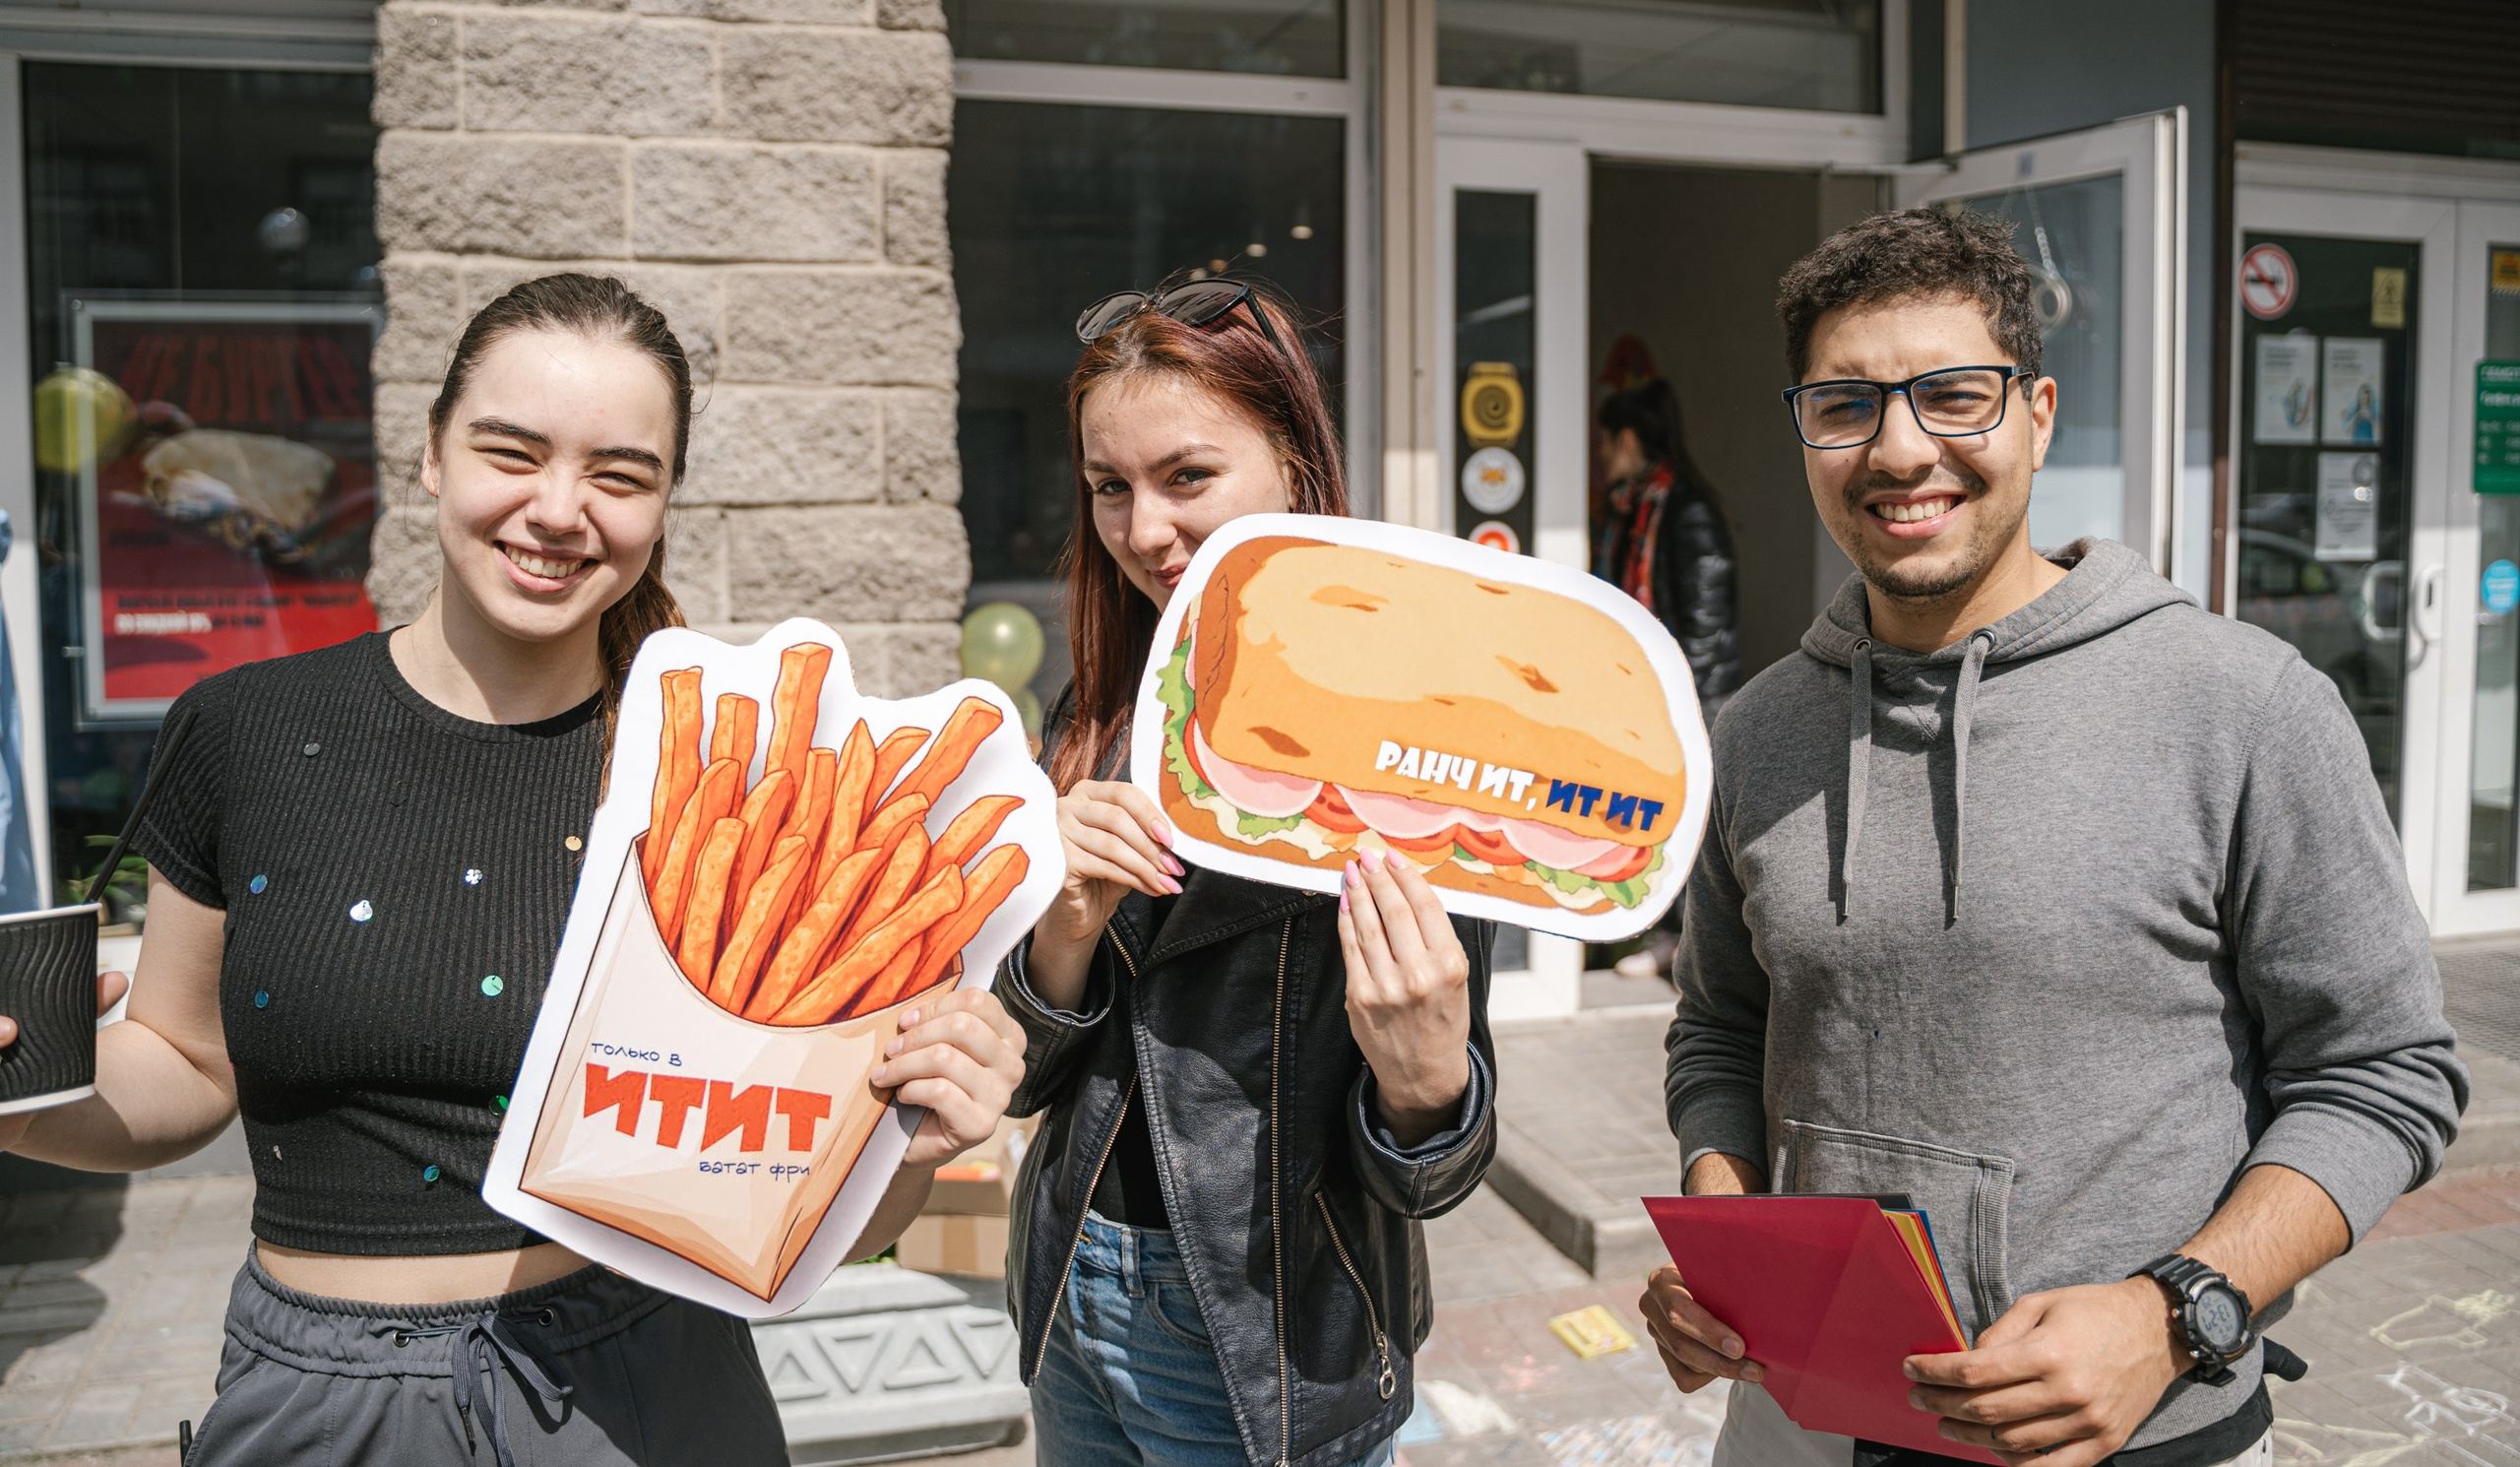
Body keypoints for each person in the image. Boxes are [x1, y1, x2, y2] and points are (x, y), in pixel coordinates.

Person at [0, 275, 1028, 1466]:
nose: (558, 509)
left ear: (663, 504)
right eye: (512, 451)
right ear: (433, 453)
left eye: (619, 474)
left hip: (650, 1387)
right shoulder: (245, 728)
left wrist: (916, 1138)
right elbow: (180, 1060)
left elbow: (795, 1206)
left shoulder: (726, 782)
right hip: (319, 1405)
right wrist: (28, 1098)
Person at [1640, 210, 2466, 1467]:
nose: (1899, 448)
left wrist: (2173, 1312)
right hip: (1798, 1425)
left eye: (1952, 396)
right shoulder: (1755, 733)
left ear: (2038, 413)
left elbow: (2383, 1073)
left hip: (2137, 1430)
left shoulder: (2239, 705)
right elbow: (1721, 1029)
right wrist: (1724, 1222)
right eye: (1845, 405)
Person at [995, 275, 1497, 1467]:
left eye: (1186, 477)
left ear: (1295, 469)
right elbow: (1024, 1080)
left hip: (1268, 1334)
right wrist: (1062, 933)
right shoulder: (1106, 709)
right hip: (1070, 1290)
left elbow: (1433, 1169)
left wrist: (1426, 1088)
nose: (1144, 529)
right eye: (1109, 487)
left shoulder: (1412, 744)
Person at [1595, 377, 1740, 712]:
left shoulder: (1689, 514)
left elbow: (1705, 632)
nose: (1601, 454)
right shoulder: (1629, 510)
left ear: (1627, 441)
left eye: (1605, 441)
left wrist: (1664, 701)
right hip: (1650, 693)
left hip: (1692, 705)